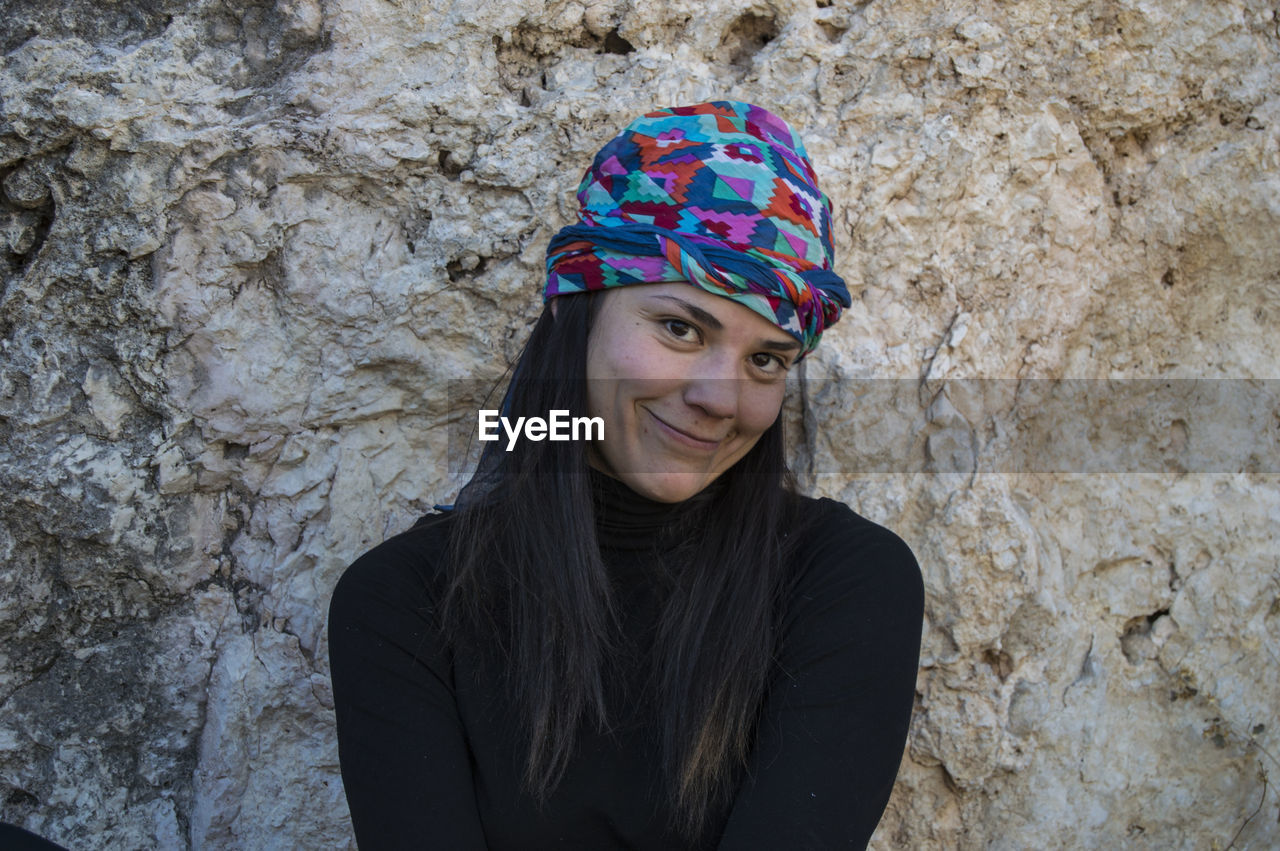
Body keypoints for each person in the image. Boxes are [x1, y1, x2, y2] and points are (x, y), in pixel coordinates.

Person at [328, 101, 924, 849]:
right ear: (575, 315)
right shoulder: (408, 602)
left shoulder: (841, 580)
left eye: (765, 359)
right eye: (680, 327)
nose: (719, 397)